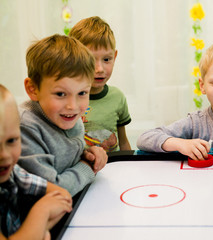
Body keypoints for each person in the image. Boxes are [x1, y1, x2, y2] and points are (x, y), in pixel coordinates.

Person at [17, 34, 108, 197]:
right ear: (33, 89)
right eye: (60, 94)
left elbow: (68, 157)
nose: (72, 106)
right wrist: (87, 166)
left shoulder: (67, 115)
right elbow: (52, 192)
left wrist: (90, 154)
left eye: (82, 93)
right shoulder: (25, 127)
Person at [0, 84, 72, 239]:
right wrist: (42, 212)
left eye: (12, 140)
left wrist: (37, 231)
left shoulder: (13, 171)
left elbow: (62, 195)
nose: (4, 155)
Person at [69, 16, 132, 152]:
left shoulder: (117, 97)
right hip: (80, 170)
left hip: (113, 169)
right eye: (91, 60)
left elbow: (124, 142)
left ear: (114, 57)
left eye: (106, 59)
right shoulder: (68, 101)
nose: (100, 69)